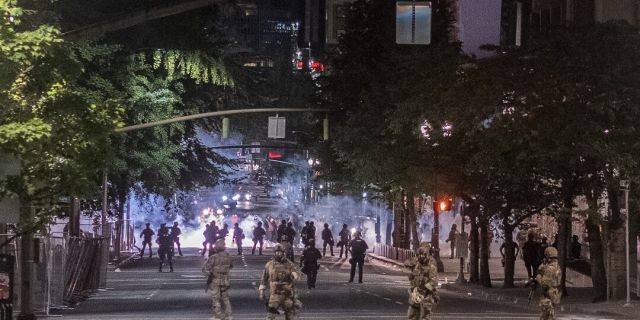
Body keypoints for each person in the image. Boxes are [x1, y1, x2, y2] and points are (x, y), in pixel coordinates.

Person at [259, 244, 301, 320]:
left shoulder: (289, 264)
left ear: (283, 253)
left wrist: (295, 275)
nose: (278, 254)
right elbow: (264, 279)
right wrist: (261, 292)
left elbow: (296, 274)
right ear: (274, 253)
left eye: (280, 252)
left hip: (287, 294)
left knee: (290, 316)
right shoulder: (269, 265)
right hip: (274, 295)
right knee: (270, 316)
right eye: (277, 252)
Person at [405, 242, 439, 320]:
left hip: (426, 294)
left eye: (423, 254)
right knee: (412, 314)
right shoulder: (416, 262)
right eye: (419, 254)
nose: (421, 256)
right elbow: (406, 263)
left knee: (425, 316)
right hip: (415, 292)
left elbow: (434, 281)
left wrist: (423, 289)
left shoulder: (431, 264)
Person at [203, 239, 233, 320]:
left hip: (215, 280)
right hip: (225, 280)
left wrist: (205, 261)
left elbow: (206, 268)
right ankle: (229, 316)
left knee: (216, 299)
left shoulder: (213, 257)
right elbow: (231, 266)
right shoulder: (229, 256)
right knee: (226, 298)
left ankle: (217, 316)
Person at [533, 247, 562, 320]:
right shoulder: (557, 266)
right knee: (551, 314)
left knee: (545, 316)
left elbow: (544, 283)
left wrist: (538, 276)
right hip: (554, 292)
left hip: (548, 294)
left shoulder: (550, 268)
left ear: (548, 257)